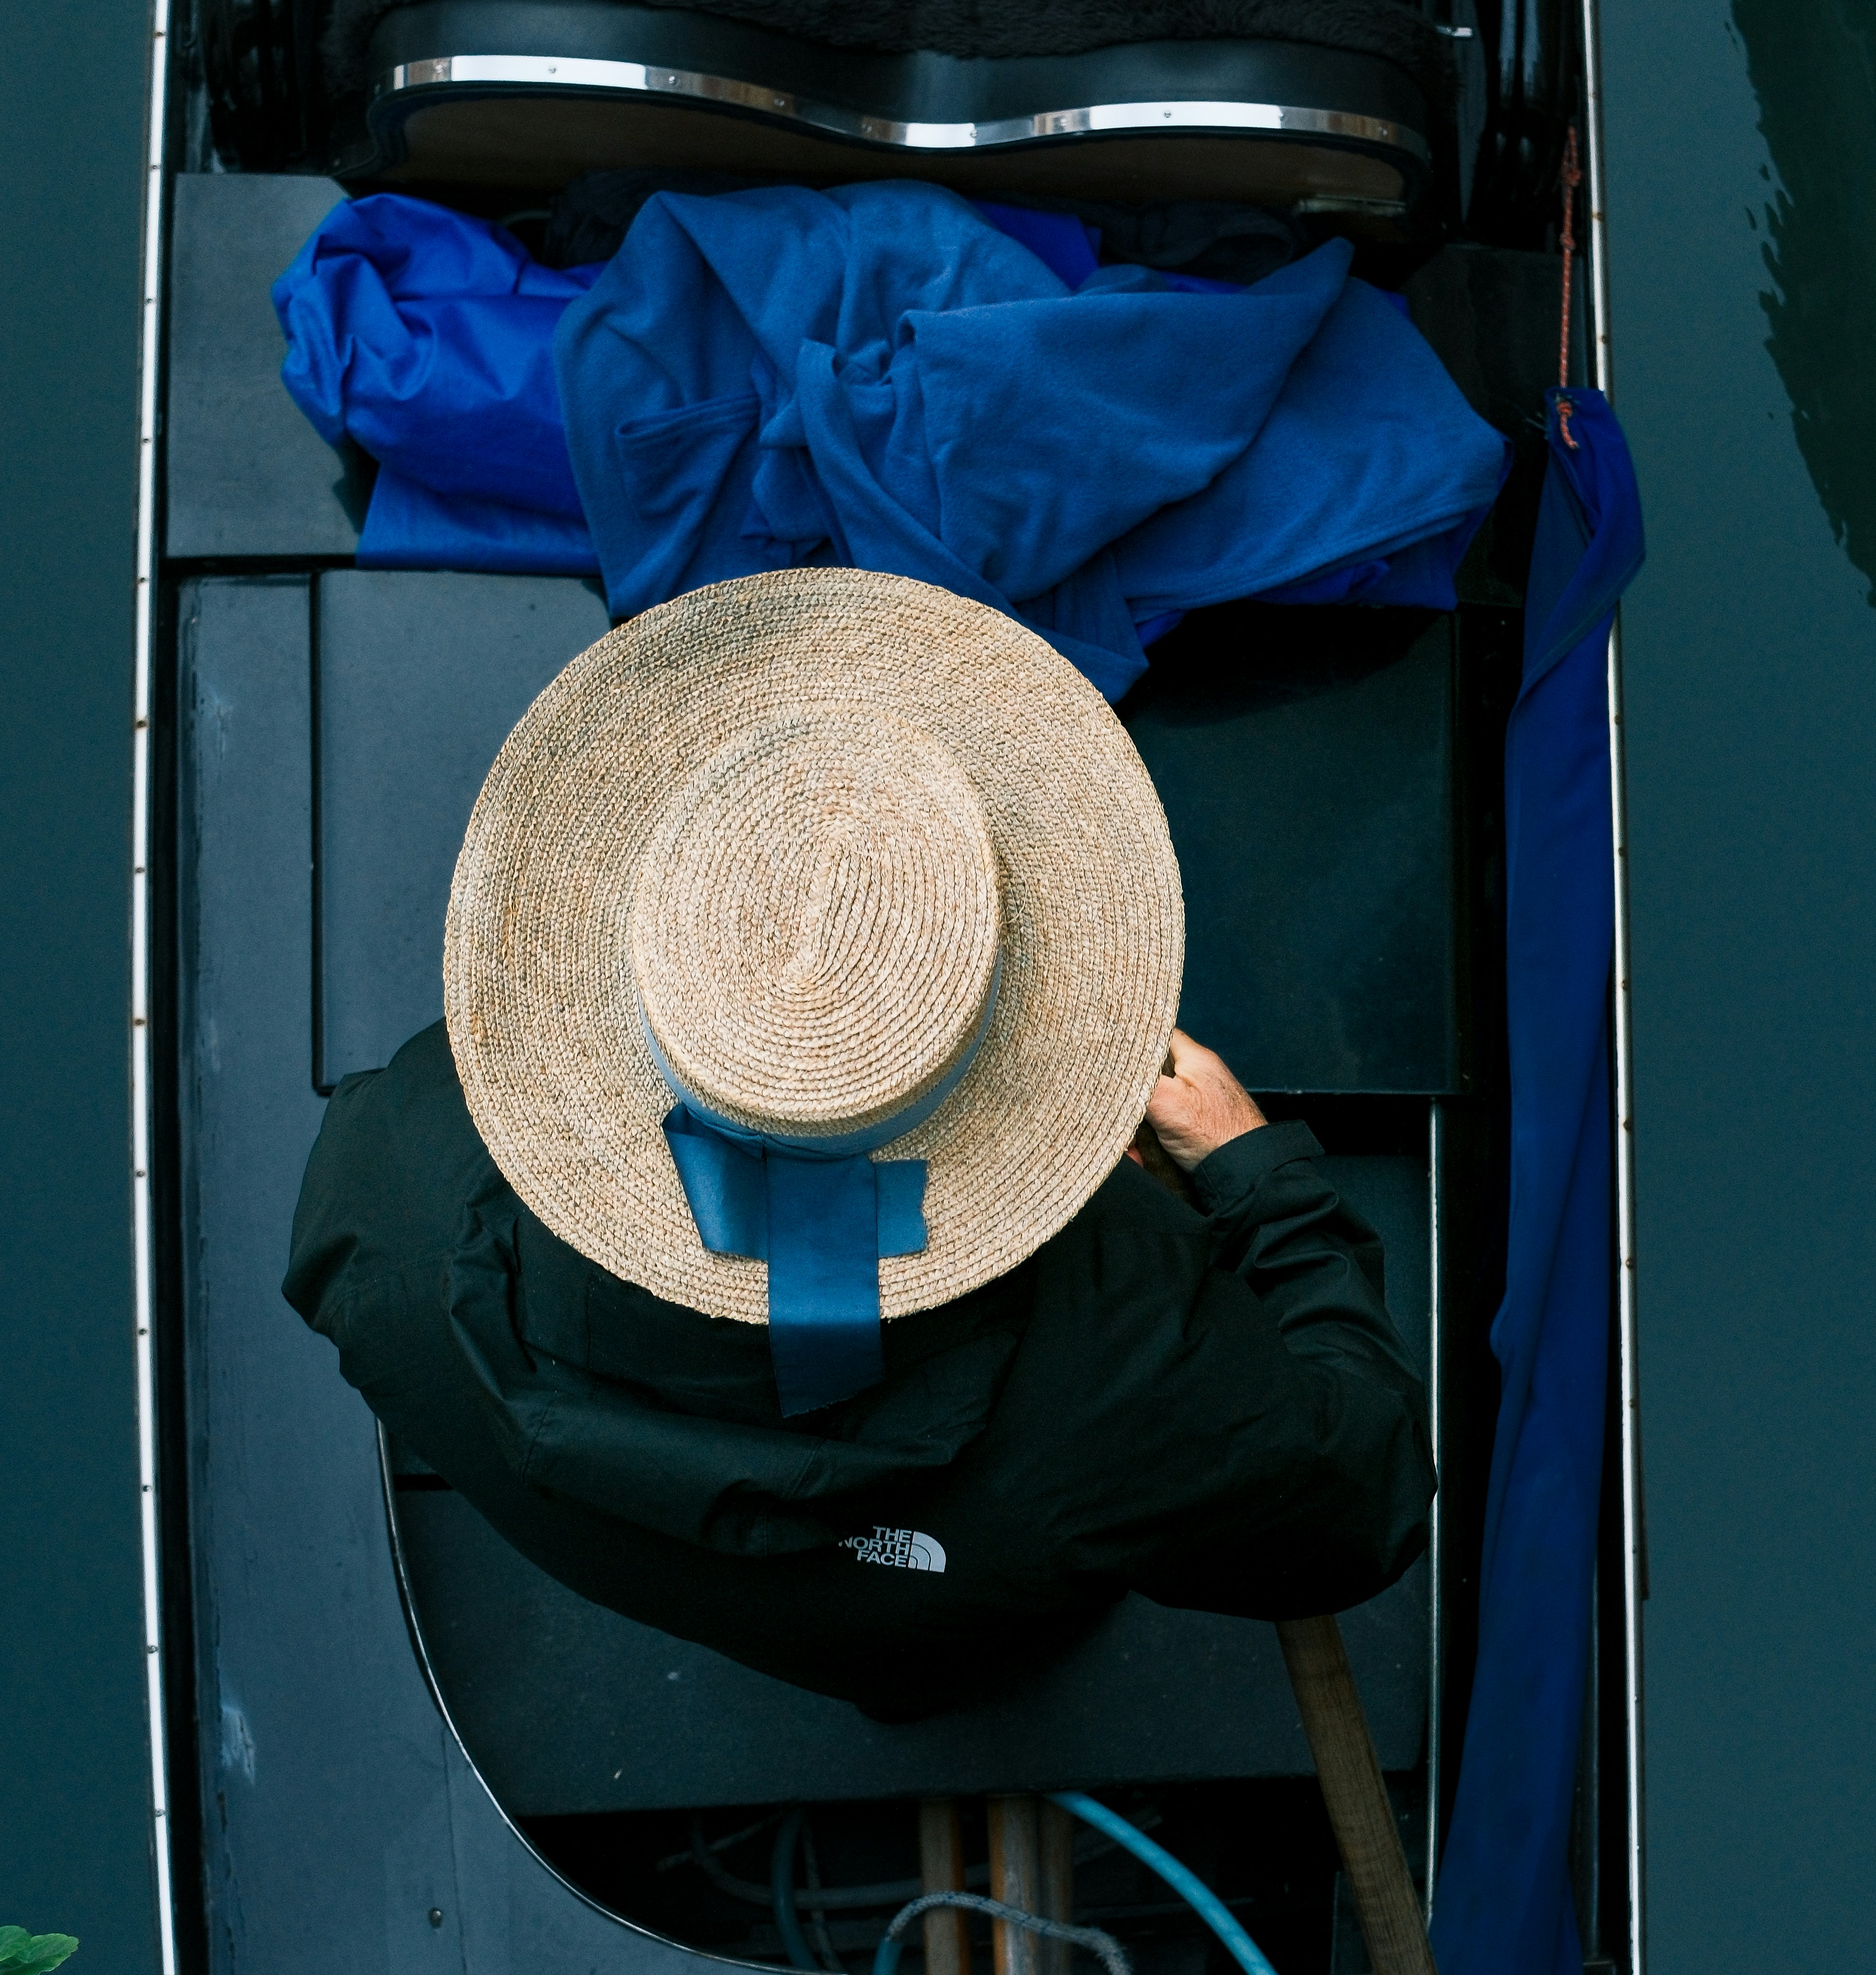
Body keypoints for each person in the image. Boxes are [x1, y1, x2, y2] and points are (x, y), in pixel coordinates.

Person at [286, 566, 1433, 1722]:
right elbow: (1367, 1494)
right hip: (953, 1625)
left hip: (759, 1601)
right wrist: (1255, 1177)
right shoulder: (1115, 1349)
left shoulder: (382, 1171)